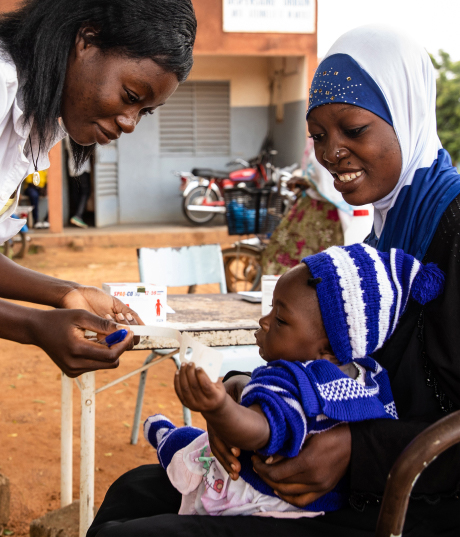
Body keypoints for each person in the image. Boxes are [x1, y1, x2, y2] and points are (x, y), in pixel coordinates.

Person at [88, 26, 460, 537]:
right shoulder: (383, 234)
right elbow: (334, 363)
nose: (332, 154)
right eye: (320, 136)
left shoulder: (453, 228)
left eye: (353, 129)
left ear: (407, 114)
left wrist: (359, 452)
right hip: (329, 473)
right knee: (133, 491)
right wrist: (244, 397)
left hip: (421, 499)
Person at [141, 244, 443, 519]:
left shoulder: (292, 380)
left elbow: (260, 430)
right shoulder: (370, 376)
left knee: (184, 447)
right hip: (323, 507)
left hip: (253, 493)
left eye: (281, 319)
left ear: (327, 349)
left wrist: (218, 408)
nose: (265, 321)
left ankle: (165, 437)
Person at [0, 0, 196, 377]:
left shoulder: (37, 124)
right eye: (131, 97)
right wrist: (32, 325)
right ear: (87, 41)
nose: (130, 124)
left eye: (144, 112)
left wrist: (66, 292)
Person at [260, 139, 352, 275]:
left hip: (326, 212)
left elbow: (326, 179)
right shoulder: (315, 142)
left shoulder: (333, 142)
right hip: (312, 206)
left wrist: (307, 182)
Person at [65, 136, 91, 228]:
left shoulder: (68, 135)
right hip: (82, 167)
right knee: (85, 192)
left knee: (76, 192)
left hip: (72, 168)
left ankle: (77, 214)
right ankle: (78, 215)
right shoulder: (81, 133)